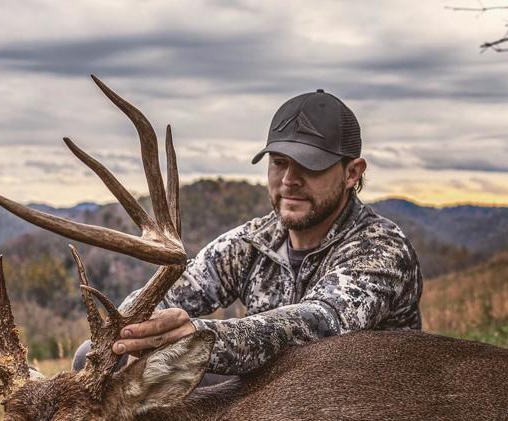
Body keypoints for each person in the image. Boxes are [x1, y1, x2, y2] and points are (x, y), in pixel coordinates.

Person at [73, 89, 422, 376]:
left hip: (359, 418)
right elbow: (177, 293)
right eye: (280, 162)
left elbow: (321, 324)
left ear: (351, 173)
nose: (289, 180)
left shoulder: (382, 250)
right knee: (92, 357)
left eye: (310, 166)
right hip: (272, 408)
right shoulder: (252, 243)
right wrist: (129, 329)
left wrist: (200, 338)